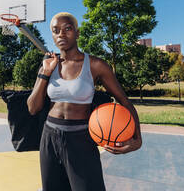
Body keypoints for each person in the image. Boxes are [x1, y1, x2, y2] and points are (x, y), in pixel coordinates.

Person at [27, 12, 142, 191]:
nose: (61, 34)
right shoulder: (48, 64)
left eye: (67, 29)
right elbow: (33, 108)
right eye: (56, 31)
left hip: (81, 138)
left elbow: (124, 101)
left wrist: (138, 139)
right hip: (49, 137)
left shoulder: (96, 65)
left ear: (77, 33)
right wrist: (44, 73)